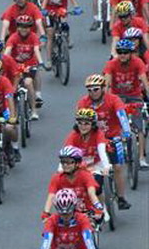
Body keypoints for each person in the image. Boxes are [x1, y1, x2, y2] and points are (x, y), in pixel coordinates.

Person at [77, 74, 132, 209]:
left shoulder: (113, 99)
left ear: (103, 88)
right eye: (89, 90)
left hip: (113, 137)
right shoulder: (83, 103)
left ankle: (121, 197)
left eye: (95, 89)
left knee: (118, 166)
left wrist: (126, 131)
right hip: (94, 139)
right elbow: (80, 124)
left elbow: (122, 115)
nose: (92, 93)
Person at [104, 39, 149, 168]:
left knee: (139, 127)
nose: (122, 55)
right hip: (117, 97)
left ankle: (140, 158)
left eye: (125, 52)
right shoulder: (112, 64)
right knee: (114, 125)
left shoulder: (138, 62)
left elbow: (145, 82)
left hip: (134, 97)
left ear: (131, 53)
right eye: (119, 52)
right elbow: (106, 84)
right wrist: (106, 100)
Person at [39, 0, 82, 68]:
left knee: (64, 23)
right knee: (50, 34)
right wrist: (43, 9)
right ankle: (48, 59)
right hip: (49, 10)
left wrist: (76, 6)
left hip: (61, 9)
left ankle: (66, 38)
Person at [42, 146, 103, 218]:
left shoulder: (86, 175)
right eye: (63, 162)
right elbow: (51, 196)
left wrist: (98, 206)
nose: (65, 165)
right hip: (65, 214)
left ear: (77, 163)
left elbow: (91, 193)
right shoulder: (57, 178)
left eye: (69, 162)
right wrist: (46, 212)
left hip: (86, 212)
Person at [63, 108, 111, 200]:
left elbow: (102, 151)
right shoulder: (73, 136)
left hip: (96, 165)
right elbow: (66, 153)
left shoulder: (98, 134)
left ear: (93, 125)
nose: (82, 126)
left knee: (96, 188)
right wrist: (61, 169)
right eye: (80, 123)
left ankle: (102, 209)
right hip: (79, 166)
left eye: (86, 123)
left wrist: (106, 166)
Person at [4, 14, 45, 119]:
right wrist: (3, 61)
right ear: (18, 27)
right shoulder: (13, 37)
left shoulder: (33, 36)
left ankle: (34, 110)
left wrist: (40, 61)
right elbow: (8, 50)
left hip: (29, 66)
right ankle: (12, 111)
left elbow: (36, 49)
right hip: (15, 67)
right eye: (21, 26)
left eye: (26, 27)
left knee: (28, 82)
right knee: (12, 88)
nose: (24, 29)